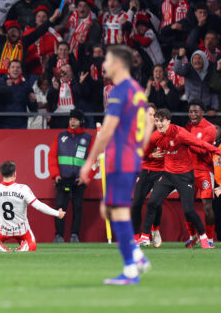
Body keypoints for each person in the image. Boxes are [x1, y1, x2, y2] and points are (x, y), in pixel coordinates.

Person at [79, 45, 152, 285]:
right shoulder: (137, 91)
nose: (104, 64)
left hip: (120, 158)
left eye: (107, 60)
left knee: (117, 210)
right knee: (108, 210)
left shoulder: (120, 91)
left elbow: (107, 129)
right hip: (128, 157)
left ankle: (131, 269)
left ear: (118, 64)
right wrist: (139, 149)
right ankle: (137, 256)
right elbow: (149, 122)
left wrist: (89, 162)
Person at [137, 109, 221, 250]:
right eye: (157, 121)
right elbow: (143, 153)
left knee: (188, 210)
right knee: (152, 202)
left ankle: (203, 237)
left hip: (184, 176)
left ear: (168, 121)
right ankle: (145, 237)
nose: (159, 124)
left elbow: (201, 144)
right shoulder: (155, 136)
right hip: (168, 175)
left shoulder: (180, 133)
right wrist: (152, 155)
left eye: (162, 121)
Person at [0, 160, 65, 252]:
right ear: (14, 174)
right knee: (33, 245)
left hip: (2, 229)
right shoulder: (23, 189)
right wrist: (57, 213)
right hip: (22, 230)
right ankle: (26, 246)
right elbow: (38, 206)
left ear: (1, 174)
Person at [47, 109, 91, 243]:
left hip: (79, 180)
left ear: (81, 121)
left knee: (78, 208)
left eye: (75, 119)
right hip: (62, 179)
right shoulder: (61, 137)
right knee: (60, 207)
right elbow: (52, 157)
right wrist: (55, 175)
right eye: (71, 119)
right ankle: (58, 236)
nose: (72, 121)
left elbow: (93, 161)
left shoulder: (88, 138)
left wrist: (85, 177)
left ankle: (74, 235)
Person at [184, 101, 218, 248]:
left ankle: (209, 238)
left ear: (202, 113)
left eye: (195, 112)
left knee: (207, 206)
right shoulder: (188, 127)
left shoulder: (210, 128)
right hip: (188, 172)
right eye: (190, 112)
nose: (192, 115)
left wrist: (187, 143)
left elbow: (204, 150)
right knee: (187, 206)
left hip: (204, 171)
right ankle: (193, 236)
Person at [131, 104, 163, 247]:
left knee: (155, 202)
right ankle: (135, 237)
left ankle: (155, 230)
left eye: (152, 114)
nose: (149, 117)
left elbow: (166, 153)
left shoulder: (162, 132)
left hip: (160, 171)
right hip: (144, 171)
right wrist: (150, 155)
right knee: (136, 203)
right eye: (147, 114)